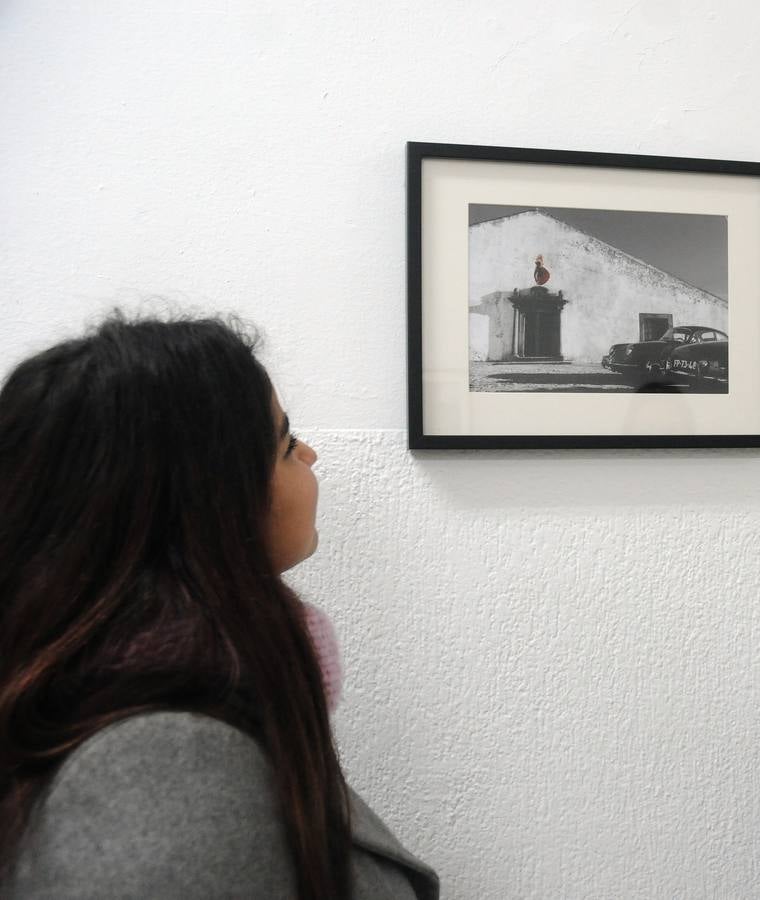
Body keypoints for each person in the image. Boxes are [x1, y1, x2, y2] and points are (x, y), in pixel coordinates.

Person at [0, 314, 438, 899]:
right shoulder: (162, 769)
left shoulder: (172, 694)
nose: (307, 455)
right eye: (284, 443)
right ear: (204, 504)